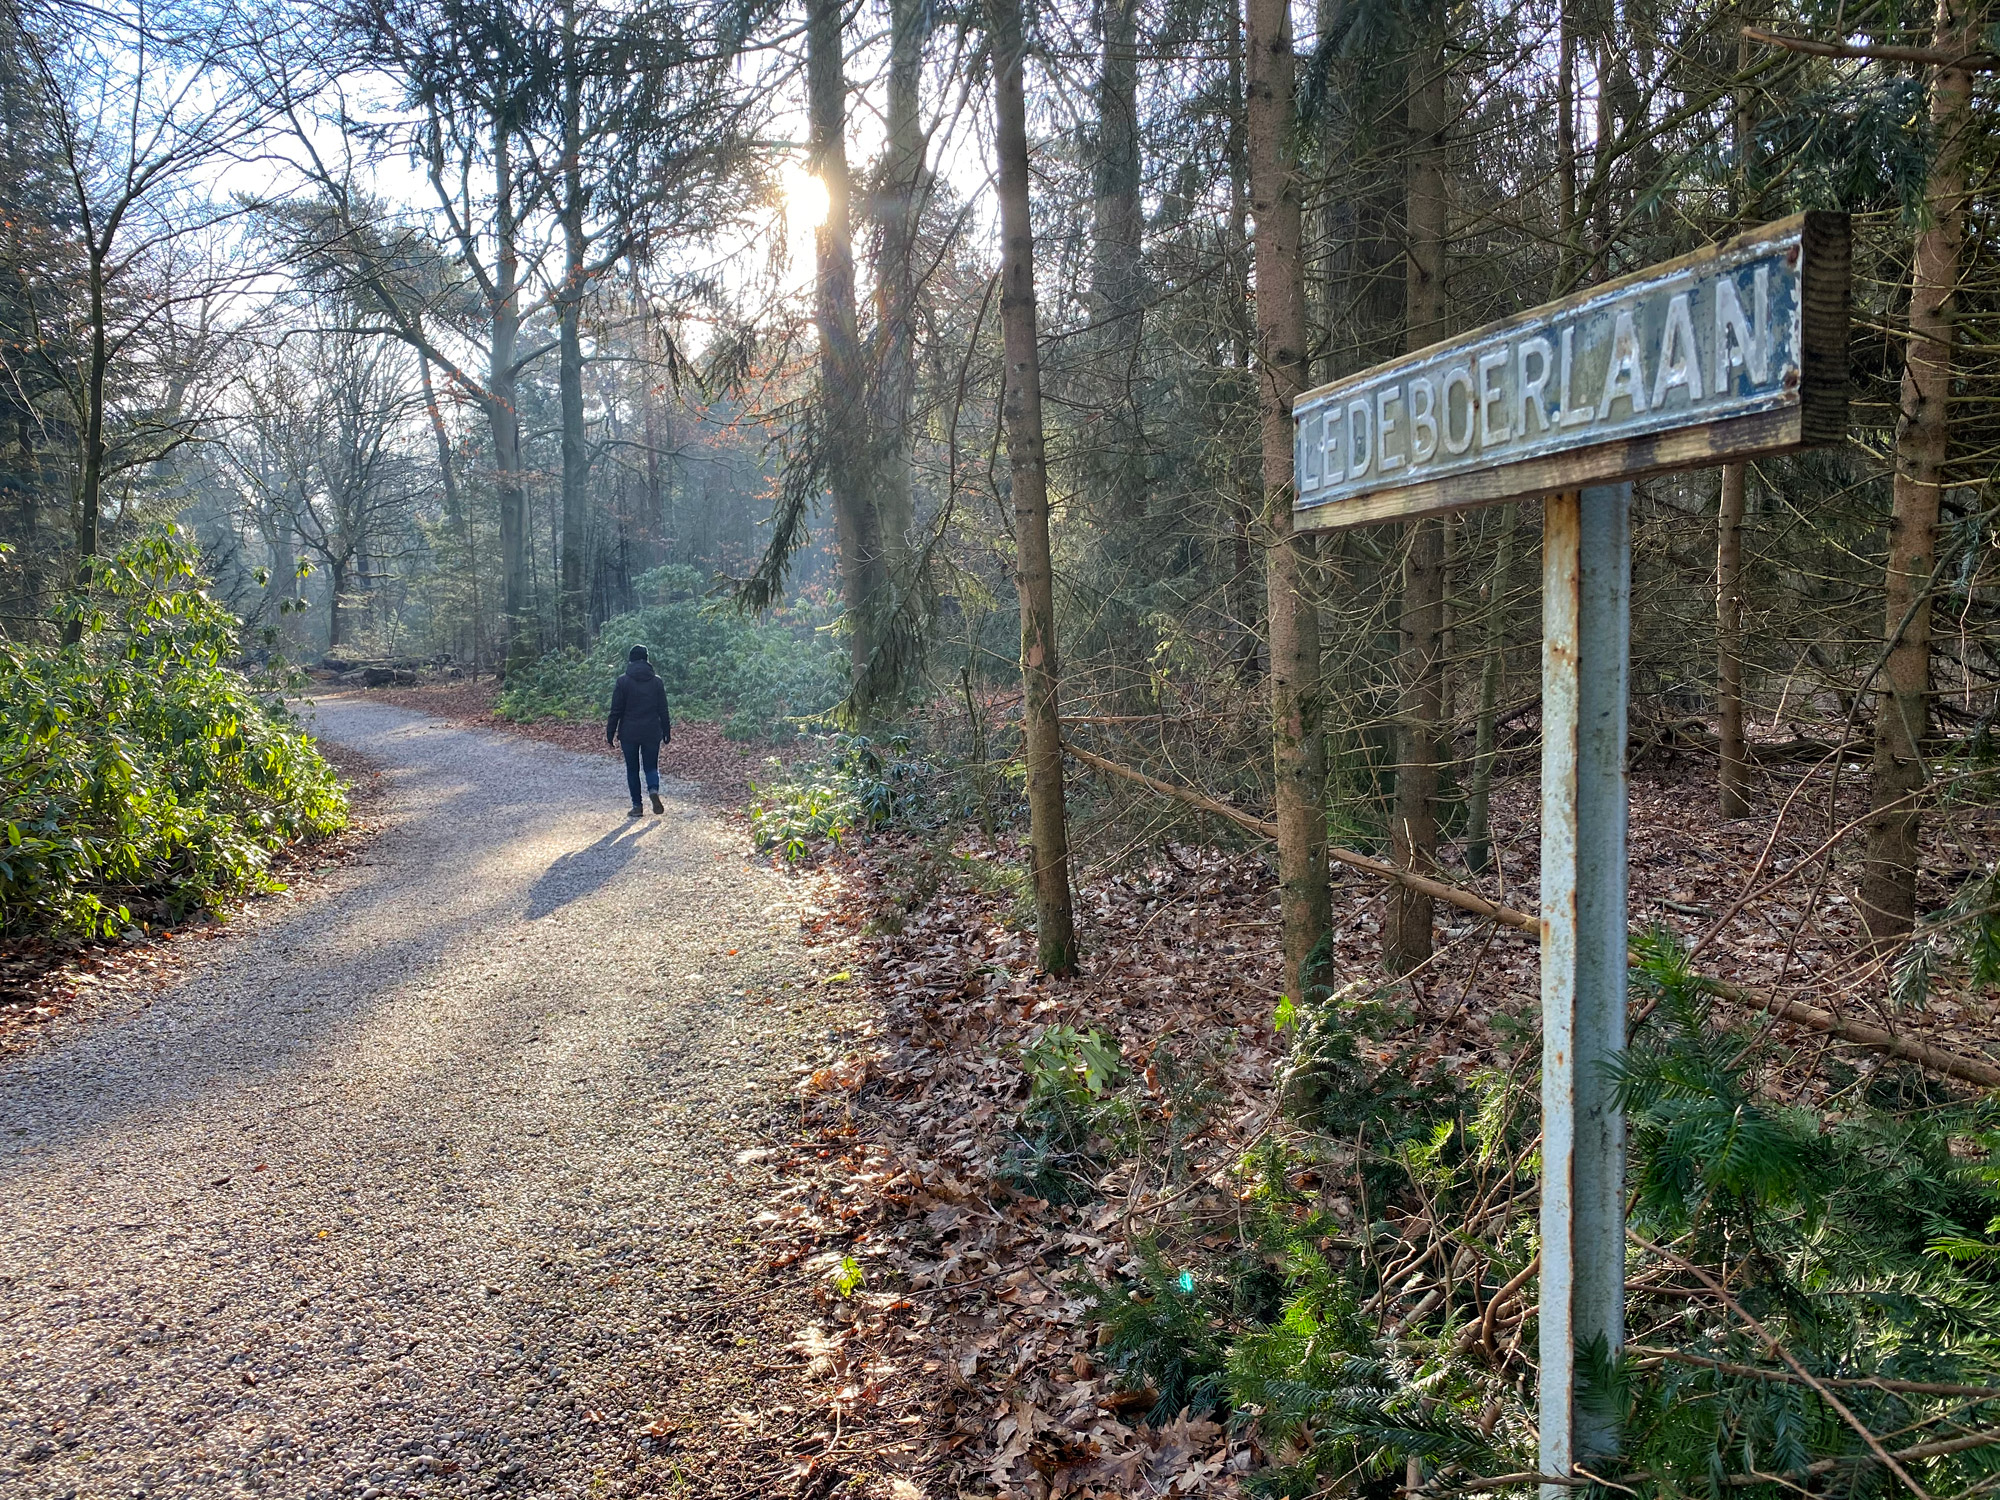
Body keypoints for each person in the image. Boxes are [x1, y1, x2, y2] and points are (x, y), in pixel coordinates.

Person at [606, 645, 672, 816]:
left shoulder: (623, 681)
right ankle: (653, 790)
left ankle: (637, 806)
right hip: (651, 731)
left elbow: (616, 710)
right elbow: (663, 709)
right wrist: (666, 730)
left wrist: (610, 731)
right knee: (651, 766)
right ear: (647, 659)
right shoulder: (657, 681)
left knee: (632, 769)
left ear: (631, 659)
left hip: (629, 732)